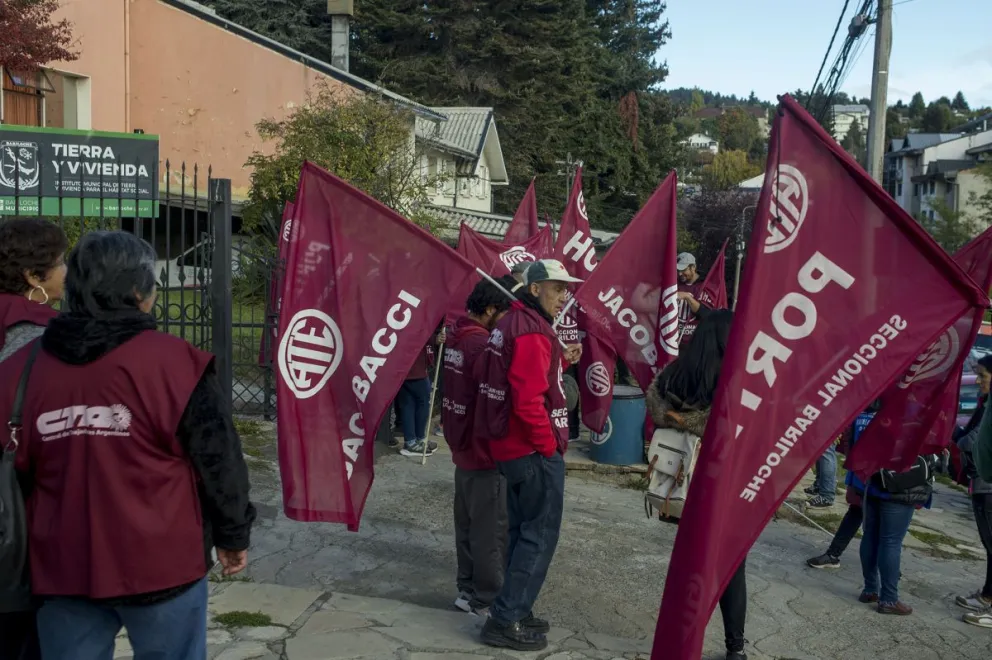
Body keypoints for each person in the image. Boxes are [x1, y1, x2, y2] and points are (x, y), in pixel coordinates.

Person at [0, 231, 256, 659]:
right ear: (140, 291)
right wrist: (233, 534)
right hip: (162, 565)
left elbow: (15, 467)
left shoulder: (20, 370)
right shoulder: (176, 364)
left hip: (61, 567)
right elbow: (219, 460)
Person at [474, 259, 582, 652]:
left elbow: (528, 376)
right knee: (538, 535)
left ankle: (516, 607)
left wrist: (562, 359)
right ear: (535, 289)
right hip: (530, 449)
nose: (563, 296)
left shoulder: (511, 323)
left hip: (511, 447)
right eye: (556, 288)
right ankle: (505, 618)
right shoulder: (531, 330)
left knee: (521, 532)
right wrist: (548, 445)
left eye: (566, 289)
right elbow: (527, 398)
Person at [646, 308, 747, 660]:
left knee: (691, 559)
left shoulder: (676, 370)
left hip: (680, 482)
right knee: (732, 564)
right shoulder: (733, 378)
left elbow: (655, 400)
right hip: (720, 482)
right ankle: (735, 646)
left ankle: (683, 638)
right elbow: (724, 424)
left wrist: (677, 418)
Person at [0, 218, 67, 660]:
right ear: (33, 277)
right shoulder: (41, 337)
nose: (66, 271)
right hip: (17, 518)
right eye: (60, 262)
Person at [445, 276, 517, 617]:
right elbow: (500, 392)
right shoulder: (481, 346)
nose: (507, 322)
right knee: (491, 531)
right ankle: (486, 598)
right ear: (490, 310)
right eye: (504, 313)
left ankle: (468, 589)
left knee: (469, 524)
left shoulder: (458, 337)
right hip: (485, 451)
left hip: (463, 447)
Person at [806, 403, 879, 569]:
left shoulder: (888, 410)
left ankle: (887, 573)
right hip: (860, 476)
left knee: (881, 527)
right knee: (855, 513)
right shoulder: (861, 411)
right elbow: (849, 443)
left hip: (881, 481)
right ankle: (833, 554)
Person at [956, 355, 992, 626]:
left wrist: (959, 442)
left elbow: (977, 441)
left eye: (983, 375)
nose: (978, 380)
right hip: (982, 482)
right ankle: (988, 596)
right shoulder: (986, 403)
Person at [396, 327, 443, 457]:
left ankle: (411, 441)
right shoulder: (415, 316)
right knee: (423, 403)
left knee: (408, 404)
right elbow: (418, 334)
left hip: (404, 367)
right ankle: (418, 439)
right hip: (415, 369)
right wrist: (434, 339)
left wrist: (435, 339)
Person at [674, 252, 713, 347]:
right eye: (678, 270)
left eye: (683, 270)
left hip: (695, 344)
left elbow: (706, 314)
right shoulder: (675, 283)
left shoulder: (706, 285)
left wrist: (687, 297)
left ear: (693, 267)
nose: (680, 273)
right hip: (675, 342)